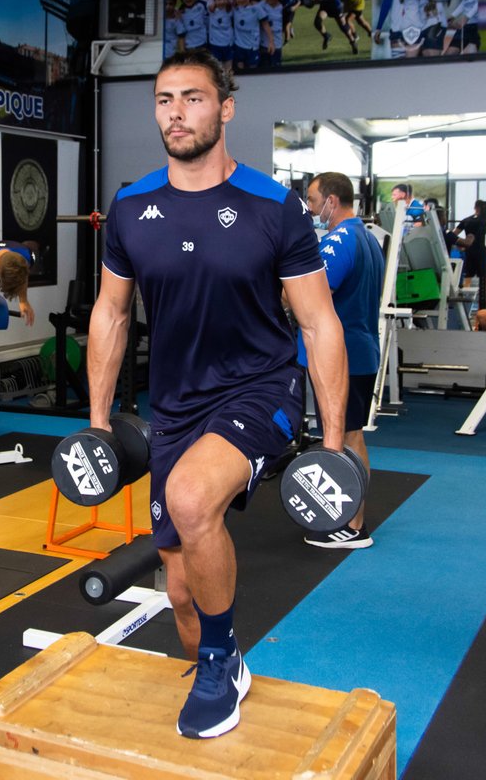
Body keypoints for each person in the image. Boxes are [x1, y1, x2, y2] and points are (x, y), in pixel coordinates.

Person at [89, 49, 347, 739]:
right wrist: (95, 423)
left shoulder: (273, 205)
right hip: (175, 405)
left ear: (225, 108)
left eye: (194, 98)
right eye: (165, 99)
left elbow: (319, 323)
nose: (177, 112)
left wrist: (330, 444)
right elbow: (111, 313)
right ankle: (220, 659)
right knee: (179, 590)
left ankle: (214, 660)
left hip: (261, 386)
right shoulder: (132, 205)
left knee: (193, 498)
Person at [298, 172, 383, 549]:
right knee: (350, 435)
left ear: (332, 201)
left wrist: (284, 294)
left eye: (315, 201)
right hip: (359, 351)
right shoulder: (368, 237)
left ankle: (351, 526)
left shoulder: (340, 240)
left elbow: (316, 294)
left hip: (341, 355)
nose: (313, 208)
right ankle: (348, 521)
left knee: (346, 436)